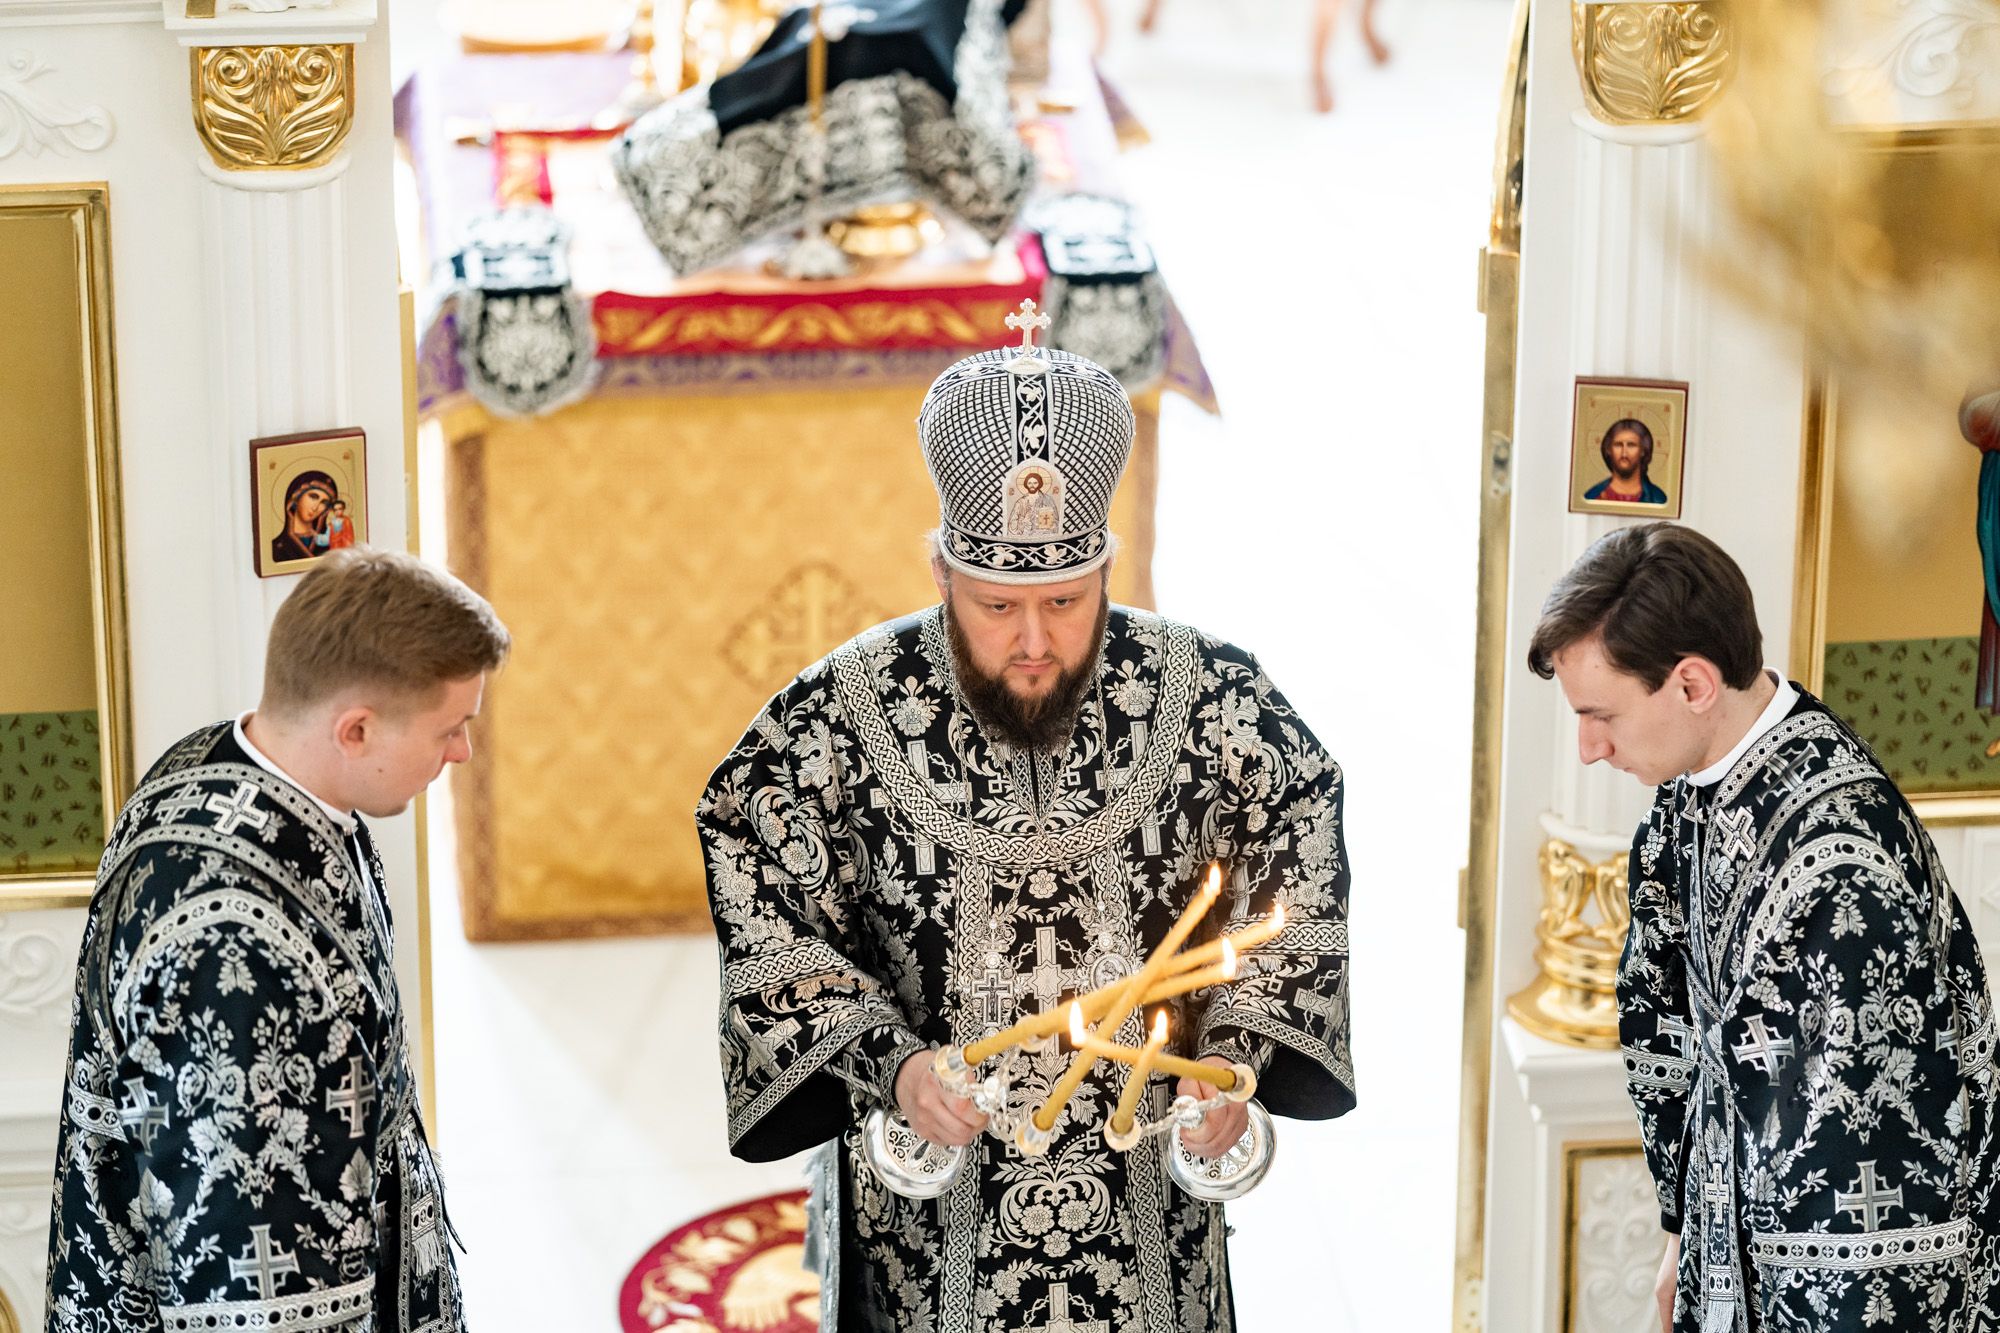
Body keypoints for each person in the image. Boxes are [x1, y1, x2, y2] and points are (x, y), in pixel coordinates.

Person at [697, 314, 1354, 1331]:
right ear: (941, 573)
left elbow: (1294, 839)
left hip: (1152, 1209)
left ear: (1108, 570)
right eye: (998, 606)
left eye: (1066, 601)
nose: (1035, 641)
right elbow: (751, 849)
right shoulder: (847, 707)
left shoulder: (1211, 692)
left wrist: (1236, 1059)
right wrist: (890, 1063)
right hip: (930, 1220)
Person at [1528, 521, 2000, 1333]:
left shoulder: (1841, 873)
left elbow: (1866, 1199)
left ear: (1693, 684)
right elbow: (1661, 1013)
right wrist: (1687, 1225)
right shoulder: (1693, 786)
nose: (1589, 747)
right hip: (1731, 1242)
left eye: (1601, 714)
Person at [45, 547, 510, 1333]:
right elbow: (251, 1273)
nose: (462, 750)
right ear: (356, 729)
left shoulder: (213, 760)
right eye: (451, 727)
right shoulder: (237, 947)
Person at [1583, 418, 1669, 505]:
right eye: (1618, 445)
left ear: (1643, 451)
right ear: (1608, 450)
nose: (1624, 453)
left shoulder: (1657, 499)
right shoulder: (1592, 497)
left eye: (1631, 445)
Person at [271, 471, 337, 564]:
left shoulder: (329, 543)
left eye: (324, 503)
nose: (315, 507)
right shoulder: (277, 546)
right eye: (313, 497)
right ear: (297, 497)